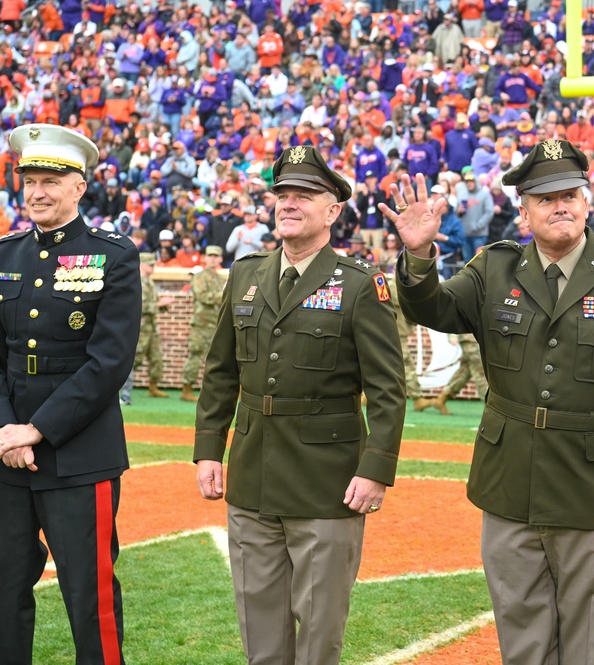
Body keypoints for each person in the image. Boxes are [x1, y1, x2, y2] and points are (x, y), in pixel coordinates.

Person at [385, 139, 594, 665]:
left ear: (588, 203)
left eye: (569, 195)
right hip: (509, 486)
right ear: (524, 212)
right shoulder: (493, 270)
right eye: (545, 199)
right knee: (520, 635)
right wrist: (418, 255)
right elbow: (433, 307)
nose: (559, 206)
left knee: (588, 642)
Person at [193, 145, 407, 665]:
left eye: (304, 196)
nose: (288, 204)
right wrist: (207, 451)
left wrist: (376, 469)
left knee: (318, 631)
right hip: (251, 475)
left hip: (325, 481)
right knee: (259, 624)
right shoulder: (246, 275)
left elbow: (387, 389)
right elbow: (221, 371)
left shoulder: (361, 285)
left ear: (332, 210)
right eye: (282, 195)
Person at [0, 124, 141, 663]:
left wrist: (36, 429)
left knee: (90, 597)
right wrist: (8, 431)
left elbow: (109, 362)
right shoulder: (7, 254)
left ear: (79, 187)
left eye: (50, 182)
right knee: (6, 588)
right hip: (7, 452)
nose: (36, 192)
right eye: (29, 180)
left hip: (80, 453)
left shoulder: (113, 256)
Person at [123, 252, 174, 402]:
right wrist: (160, 304)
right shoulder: (135, 280)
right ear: (142, 264)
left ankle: (153, 387)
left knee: (156, 358)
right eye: (150, 264)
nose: (153, 267)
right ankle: (122, 391)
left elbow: (152, 304)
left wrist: (164, 304)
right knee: (133, 360)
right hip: (140, 327)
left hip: (151, 327)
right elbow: (138, 306)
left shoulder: (149, 282)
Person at [181, 245, 226, 402]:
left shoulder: (221, 280)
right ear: (205, 258)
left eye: (216, 256)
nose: (213, 259)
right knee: (196, 356)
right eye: (210, 256)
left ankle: (212, 391)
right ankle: (186, 388)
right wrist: (222, 296)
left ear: (220, 259)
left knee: (217, 359)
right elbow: (203, 296)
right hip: (201, 325)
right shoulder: (199, 276)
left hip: (217, 325)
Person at [425, 332, 488, 414]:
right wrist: (452, 334)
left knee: (465, 371)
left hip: (475, 338)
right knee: (481, 373)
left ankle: (441, 399)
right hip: (470, 338)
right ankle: (490, 407)